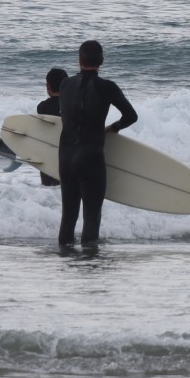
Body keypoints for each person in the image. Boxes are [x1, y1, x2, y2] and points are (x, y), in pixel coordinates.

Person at [56, 40, 136, 249]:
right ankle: (89, 264)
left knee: (68, 216)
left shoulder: (64, 85)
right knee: (91, 217)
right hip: (90, 156)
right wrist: (113, 128)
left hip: (65, 156)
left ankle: (66, 260)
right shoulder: (107, 87)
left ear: (79, 60)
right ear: (102, 61)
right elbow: (131, 116)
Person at [36, 67, 67, 187]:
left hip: (48, 155)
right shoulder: (74, 105)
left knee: (49, 188)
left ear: (48, 87)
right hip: (70, 155)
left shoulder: (42, 107)